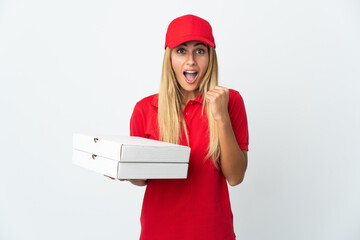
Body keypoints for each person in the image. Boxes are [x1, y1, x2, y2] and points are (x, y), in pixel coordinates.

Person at [129, 14, 249, 240]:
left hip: (213, 233)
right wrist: (122, 169)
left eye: (200, 51)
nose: (191, 60)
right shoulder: (144, 109)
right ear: (169, 58)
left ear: (210, 57)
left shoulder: (230, 101)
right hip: (158, 233)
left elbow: (235, 177)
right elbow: (140, 180)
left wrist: (221, 117)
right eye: (181, 51)